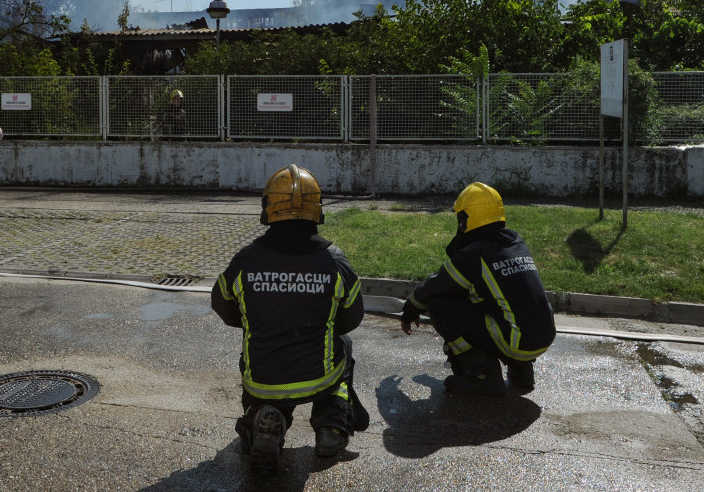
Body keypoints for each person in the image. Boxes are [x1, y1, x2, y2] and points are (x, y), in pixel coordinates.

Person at [211, 164, 368, 476]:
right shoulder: (334, 260)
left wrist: (260, 318)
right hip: (319, 380)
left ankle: (263, 418)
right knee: (344, 345)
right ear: (317, 210)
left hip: (262, 383)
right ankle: (331, 427)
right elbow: (352, 318)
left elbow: (223, 306)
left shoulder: (246, 259)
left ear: (268, 208)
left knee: (255, 358)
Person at [400, 182, 556, 396]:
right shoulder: (515, 243)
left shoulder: (473, 255)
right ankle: (523, 372)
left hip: (515, 343)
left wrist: (411, 308)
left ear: (465, 219)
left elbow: (434, 286)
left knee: (439, 305)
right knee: (499, 302)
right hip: (542, 337)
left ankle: (483, 375)